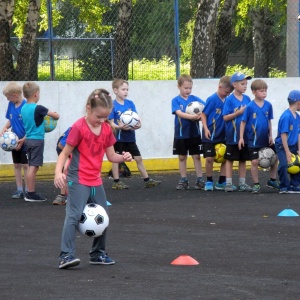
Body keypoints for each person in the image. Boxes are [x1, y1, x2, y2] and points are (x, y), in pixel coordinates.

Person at [54, 88, 133, 269]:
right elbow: (64, 153)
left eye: (105, 117)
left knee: (103, 216)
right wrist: (59, 173)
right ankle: (66, 256)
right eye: (98, 116)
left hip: (96, 181)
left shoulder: (106, 129)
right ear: (88, 108)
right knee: (73, 216)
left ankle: (97, 254)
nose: (102, 121)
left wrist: (124, 157)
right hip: (78, 179)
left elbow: (112, 156)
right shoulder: (78, 128)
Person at [108, 79, 161, 189]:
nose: (126, 92)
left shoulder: (130, 103)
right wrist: (120, 127)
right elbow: (111, 123)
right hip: (118, 138)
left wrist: (138, 125)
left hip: (130, 138)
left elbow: (136, 119)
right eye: (123, 89)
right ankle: (116, 182)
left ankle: (147, 180)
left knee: (138, 158)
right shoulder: (112, 105)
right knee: (116, 159)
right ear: (115, 90)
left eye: (127, 89)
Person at [21, 82, 60, 202]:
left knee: (30, 166)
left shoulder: (23, 108)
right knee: (33, 167)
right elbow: (56, 116)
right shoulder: (39, 108)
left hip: (28, 140)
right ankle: (31, 193)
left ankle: (29, 191)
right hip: (37, 140)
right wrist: (54, 113)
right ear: (36, 94)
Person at [239, 79, 279, 193]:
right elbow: (243, 122)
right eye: (262, 91)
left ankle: (272, 179)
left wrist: (271, 135)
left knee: (275, 158)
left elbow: (269, 122)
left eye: (265, 90)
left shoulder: (268, 105)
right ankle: (256, 184)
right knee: (255, 162)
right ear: (254, 92)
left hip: (266, 139)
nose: (264, 93)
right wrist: (241, 137)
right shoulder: (250, 106)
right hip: (253, 140)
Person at [171, 74, 206, 190]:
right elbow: (179, 113)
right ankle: (183, 179)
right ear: (178, 87)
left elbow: (205, 107)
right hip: (181, 134)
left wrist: (201, 116)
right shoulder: (175, 100)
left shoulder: (195, 99)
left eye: (190, 88)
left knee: (196, 156)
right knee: (182, 157)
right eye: (185, 88)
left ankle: (200, 179)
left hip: (194, 134)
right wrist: (191, 117)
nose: (188, 90)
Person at [201, 76, 234, 191]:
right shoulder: (212, 99)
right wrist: (205, 128)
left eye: (229, 93)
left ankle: (222, 181)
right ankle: (209, 180)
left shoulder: (228, 100)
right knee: (209, 158)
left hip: (224, 134)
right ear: (220, 87)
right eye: (226, 92)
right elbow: (203, 114)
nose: (227, 94)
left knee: (225, 158)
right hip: (210, 134)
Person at [222, 72, 252, 192]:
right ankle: (228, 183)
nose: (245, 86)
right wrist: (238, 113)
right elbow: (225, 117)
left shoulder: (248, 99)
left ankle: (242, 183)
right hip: (232, 135)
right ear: (234, 84)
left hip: (244, 135)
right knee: (230, 159)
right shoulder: (229, 100)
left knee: (243, 159)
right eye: (242, 84)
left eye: (246, 84)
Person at [1, 82, 28, 198]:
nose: (7, 99)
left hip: (25, 141)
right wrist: (5, 127)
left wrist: (24, 139)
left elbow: (32, 126)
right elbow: (11, 120)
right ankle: (19, 189)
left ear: (15, 95)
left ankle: (28, 189)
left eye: (8, 97)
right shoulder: (11, 105)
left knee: (26, 166)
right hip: (14, 142)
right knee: (17, 165)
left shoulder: (26, 106)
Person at [274, 90, 300, 193]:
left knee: (298, 163)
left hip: (293, 145)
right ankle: (284, 186)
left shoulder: (298, 117)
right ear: (298, 102)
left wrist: (299, 149)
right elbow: (283, 135)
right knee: (284, 164)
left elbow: (298, 134)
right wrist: (287, 151)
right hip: (282, 145)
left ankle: (295, 184)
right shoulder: (286, 116)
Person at [52, 127, 71, 205]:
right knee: (67, 168)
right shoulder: (75, 129)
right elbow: (60, 145)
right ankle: (62, 196)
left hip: (71, 149)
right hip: (63, 149)